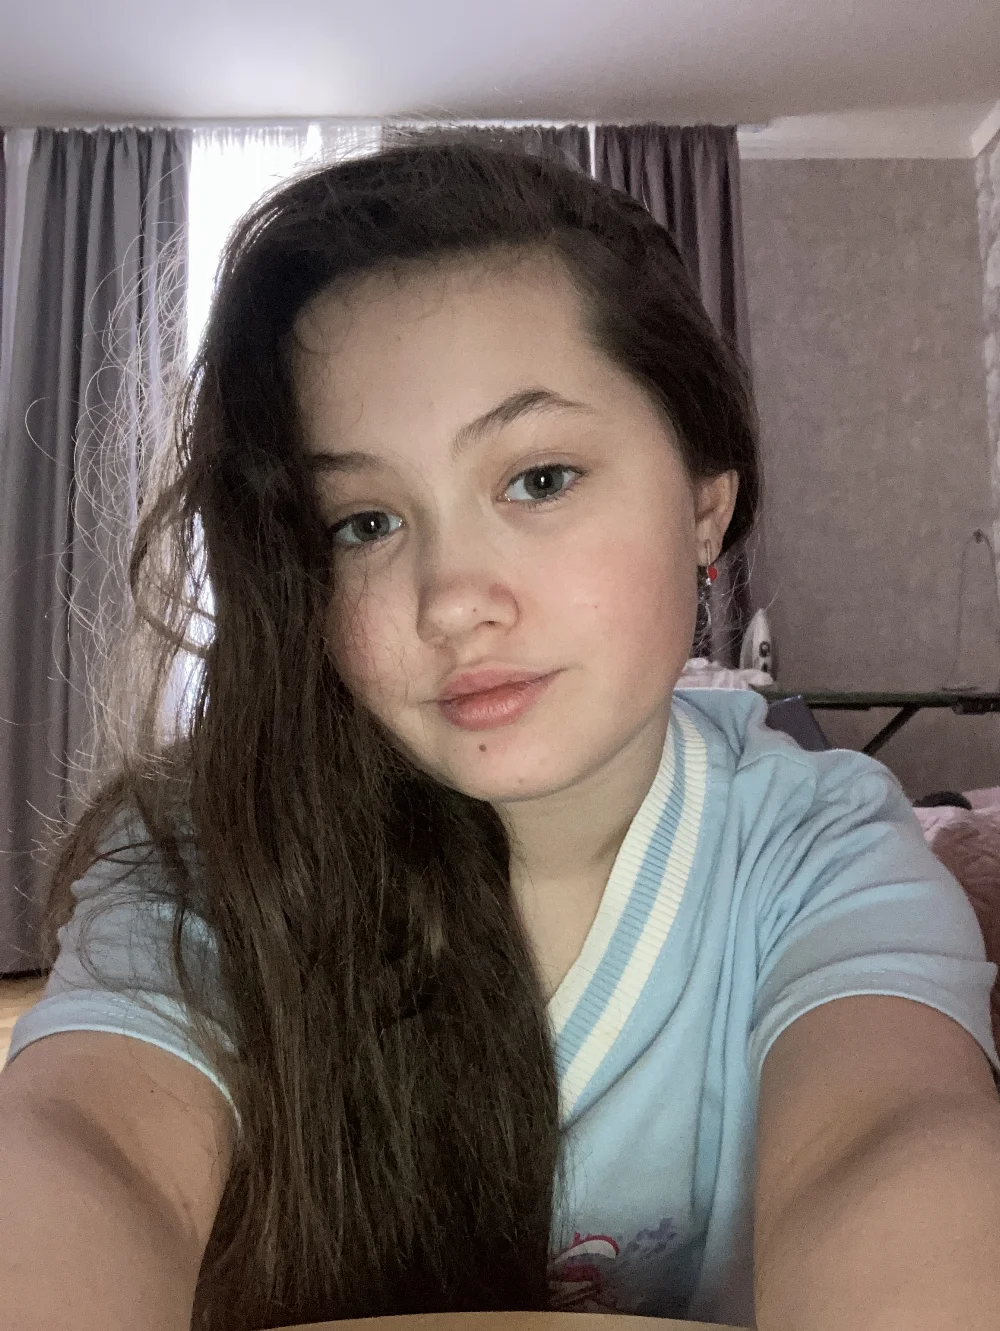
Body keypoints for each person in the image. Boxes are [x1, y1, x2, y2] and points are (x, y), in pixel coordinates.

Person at [2, 139, 1000, 1331]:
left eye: (538, 479)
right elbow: (91, 1141)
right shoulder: (207, 850)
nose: (450, 600)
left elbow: (891, 1136)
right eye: (363, 521)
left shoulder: (816, 847)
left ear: (704, 502)